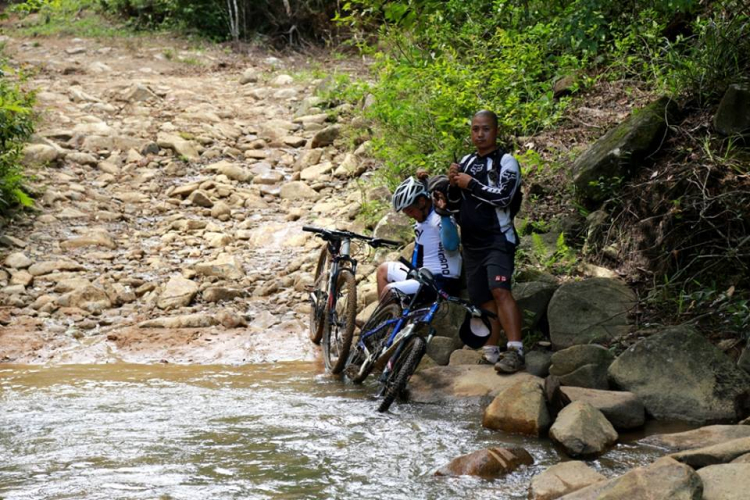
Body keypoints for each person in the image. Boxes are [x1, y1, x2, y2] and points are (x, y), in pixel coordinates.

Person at [447, 110, 524, 374]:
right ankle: (491, 351)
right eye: (475, 129)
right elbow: (458, 203)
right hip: (470, 242)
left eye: (485, 129)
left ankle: (515, 350)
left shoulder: (507, 162)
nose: (479, 134)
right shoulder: (466, 161)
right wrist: (451, 189)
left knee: (500, 291)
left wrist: (470, 185)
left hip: (497, 239)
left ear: (496, 131)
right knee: (482, 299)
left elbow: (504, 197)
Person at [376, 176, 462, 300]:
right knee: (383, 270)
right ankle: (391, 314)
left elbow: (452, 246)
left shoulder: (440, 217)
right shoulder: (423, 217)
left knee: (390, 289)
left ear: (422, 201)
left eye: (410, 211)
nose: (410, 216)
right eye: (407, 213)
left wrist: (444, 215)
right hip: (421, 275)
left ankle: (388, 316)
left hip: (440, 282)